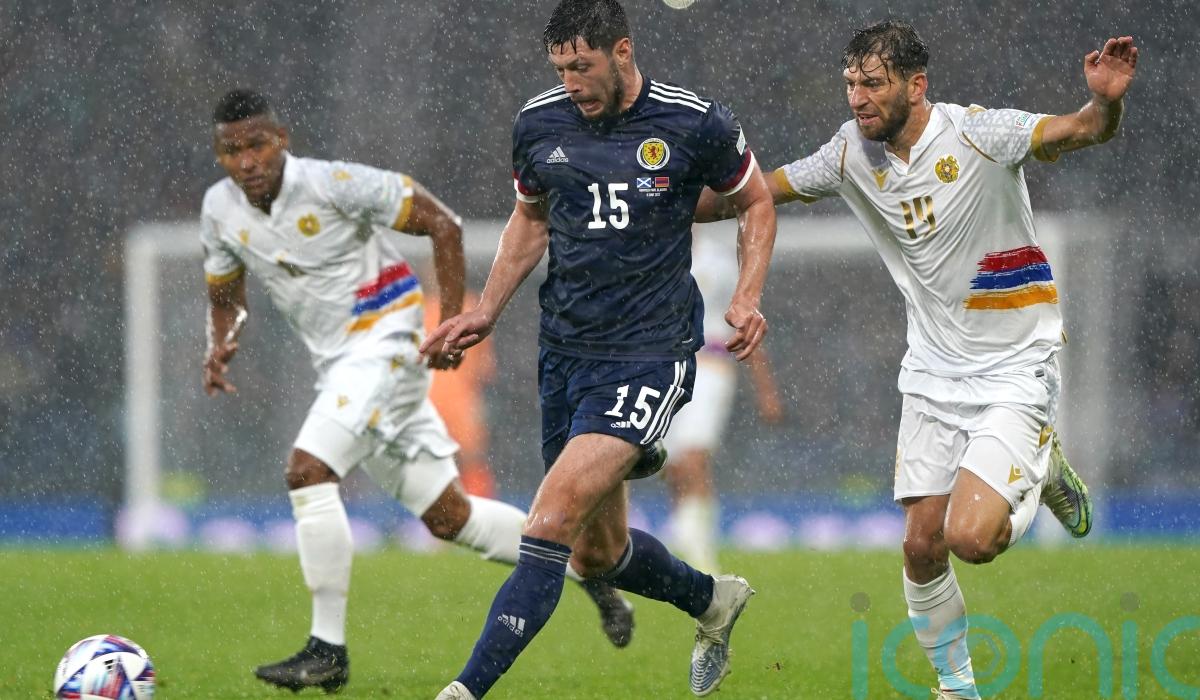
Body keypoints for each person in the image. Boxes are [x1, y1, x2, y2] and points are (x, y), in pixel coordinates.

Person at [696, 22, 1136, 699]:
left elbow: (1082, 130)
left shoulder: (977, 133)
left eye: (873, 84)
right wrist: (658, 200)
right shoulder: (849, 153)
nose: (858, 98)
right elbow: (754, 192)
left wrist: (1104, 101)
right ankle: (957, 688)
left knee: (971, 539)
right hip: (932, 374)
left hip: (1014, 366)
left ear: (916, 85)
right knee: (920, 547)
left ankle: (1041, 465)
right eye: (851, 84)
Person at [200, 89, 635, 694]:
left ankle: (326, 649)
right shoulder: (219, 209)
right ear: (219, 155)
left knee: (308, 470)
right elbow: (226, 295)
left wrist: (450, 323)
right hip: (342, 366)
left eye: (257, 144)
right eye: (232, 150)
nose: (247, 160)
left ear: (282, 139)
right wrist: (221, 341)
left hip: (389, 341)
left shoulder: (334, 184)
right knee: (451, 517)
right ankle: (589, 570)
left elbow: (441, 223)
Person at [422, 1, 777, 697]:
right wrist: (485, 309)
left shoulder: (694, 121)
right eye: (560, 68)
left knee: (550, 519)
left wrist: (747, 294)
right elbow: (530, 220)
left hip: (650, 352)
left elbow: (755, 201)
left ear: (622, 51)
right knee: (596, 553)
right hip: (566, 354)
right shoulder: (538, 124)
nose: (571, 83)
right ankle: (713, 600)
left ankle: (462, 691)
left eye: (582, 66)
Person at [662, 230, 785, 574]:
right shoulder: (654, 251)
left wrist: (766, 388)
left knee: (694, 457)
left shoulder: (718, 261)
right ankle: (685, 540)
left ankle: (701, 553)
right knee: (671, 465)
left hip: (710, 365)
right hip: (664, 367)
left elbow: (744, 319)